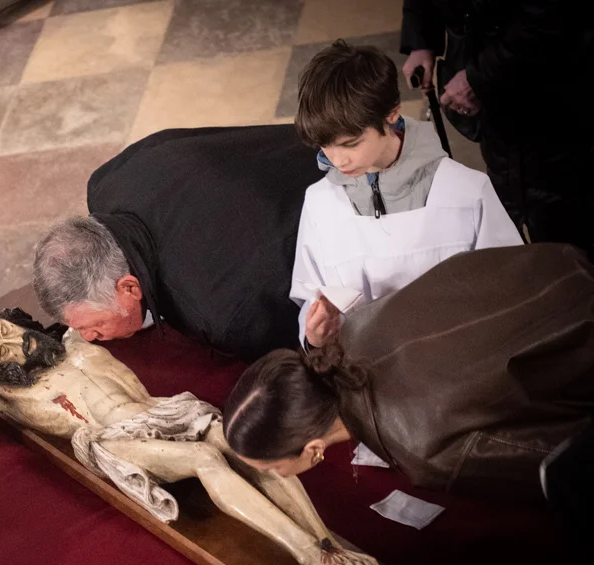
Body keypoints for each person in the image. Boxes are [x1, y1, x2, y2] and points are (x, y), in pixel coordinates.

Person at [0, 307, 379, 565]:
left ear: (25, 324)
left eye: (16, 334)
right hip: (117, 442)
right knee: (205, 460)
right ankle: (308, 555)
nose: (20, 347)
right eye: (5, 349)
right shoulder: (0, 395)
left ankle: (326, 539)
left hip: (163, 412)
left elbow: (113, 297)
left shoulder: (74, 341)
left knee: (233, 439)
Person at [223, 243, 594, 502]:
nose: (276, 477)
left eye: (273, 468)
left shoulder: (423, 452)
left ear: (314, 451)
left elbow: (564, 460)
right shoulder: (357, 326)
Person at [290, 39, 521, 349]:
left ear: (391, 113)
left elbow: (512, 296)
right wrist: (314, 335)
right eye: (324, 146)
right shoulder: (320, 204)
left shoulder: (467, 194)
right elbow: (311, 296)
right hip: (363, 379)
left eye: (350, 144)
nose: (337, 160)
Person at [33, 124, 324, 361]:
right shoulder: (107, 181)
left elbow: (309, 340)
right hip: (311, 141)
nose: (89, 337)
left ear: (129, 287)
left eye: (94, 326)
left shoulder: (220, 316)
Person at [400, 0, 594, 259]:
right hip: (493, 79)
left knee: (563, 209)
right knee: (509, 194)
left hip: (559, 84)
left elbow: (550, 16)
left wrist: (480, 76)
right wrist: (422, 38)